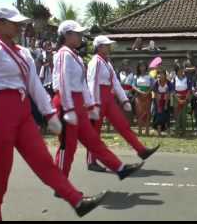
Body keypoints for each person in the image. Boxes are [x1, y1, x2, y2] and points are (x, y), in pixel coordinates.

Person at [0, 5, 107, 220]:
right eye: (13, 22)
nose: (18, 26)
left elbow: (34, 84)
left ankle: (76, 200)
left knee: (43, 161)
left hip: (23, 111)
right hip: (0, 111)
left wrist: (49, 113)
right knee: (0, 173)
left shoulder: (22, 52)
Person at [53, 20, 143, 185]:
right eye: (77, 33)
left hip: (78, 102)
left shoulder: (76, 57)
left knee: (93, 140)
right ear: (66, 35)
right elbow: (63, 82)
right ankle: (60, 183)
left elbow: (83, 85)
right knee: (68, 146)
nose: (81, 36)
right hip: (67, 102)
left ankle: (120, 168)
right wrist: (69, 108)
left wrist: (91, 105)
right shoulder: (63, 54)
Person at [86, 36, 160, 172]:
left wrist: (124, 99)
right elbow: (92, 83)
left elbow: (115, 82)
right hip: (98, 97)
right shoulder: (95, 62)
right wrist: (93, 104)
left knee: (123, 124)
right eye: (107, 45)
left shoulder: (107, 63)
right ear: (100, 47)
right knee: (95, 131)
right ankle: (91, 161)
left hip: (108, 96)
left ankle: (141, 150)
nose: (109, 47)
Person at [132, 60, 153, 136]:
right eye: (141, 66)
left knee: (147, 113)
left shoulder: (149, 76)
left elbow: (152, 85)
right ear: (138, 67)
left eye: (143, 66)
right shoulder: (136, 76)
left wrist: (147, 92)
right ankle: (140, 131)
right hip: (138, 96)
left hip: (147, 96)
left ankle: (147, 130)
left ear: (146, 67)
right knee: (139, 113)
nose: (142, 68)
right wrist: (139, 91)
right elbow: (133, 86)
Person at [172, 62, 192, 137]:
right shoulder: (174, 79)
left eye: (182, 69)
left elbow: (189, 90)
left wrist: (185, 99)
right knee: (177, 115)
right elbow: (173, 91)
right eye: (179, 70)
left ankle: (184, 131)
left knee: (183, 115)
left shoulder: (187, 79)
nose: (181, 71)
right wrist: (178, 99)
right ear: (176, 71)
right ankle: (177, 131)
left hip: (185, 98)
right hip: (177, 99)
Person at [153, 69, 172, 136]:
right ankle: (159, 133)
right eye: (159, 74)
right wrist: (158, 106)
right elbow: (155, 94)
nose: (161, 75)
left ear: (165, 75)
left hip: (166, 100)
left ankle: (168, 132)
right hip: (158, 101)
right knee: (158, 116)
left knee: (167, 116)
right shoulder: (156, 83)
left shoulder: (168, 83)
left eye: (162, 74)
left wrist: (166, 104)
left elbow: (168, 93)